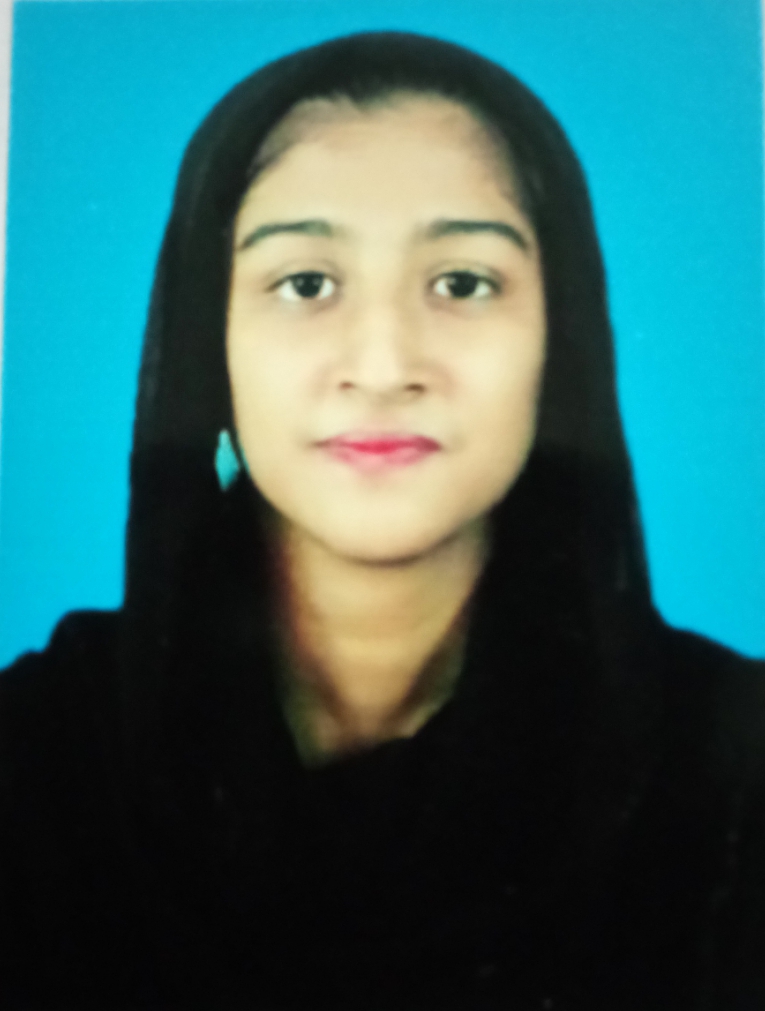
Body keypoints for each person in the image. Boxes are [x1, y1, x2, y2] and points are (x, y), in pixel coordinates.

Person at [1, 30, 763, 1010]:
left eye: (462, 283)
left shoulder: (731, 774)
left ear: (559, 337)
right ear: (208, 342)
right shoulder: (38, 769)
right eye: (306, 283)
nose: (384, 363)